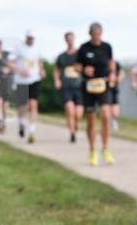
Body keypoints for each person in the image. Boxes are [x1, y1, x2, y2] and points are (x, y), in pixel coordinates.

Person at [75, 22, 116, 165]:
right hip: (89, 86)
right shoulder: (84, 48)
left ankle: (106, 148)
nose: (96, 36)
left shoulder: (107, 47)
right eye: (94, 34)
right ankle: (92, 151)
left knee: (106, 115)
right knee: (91, 119)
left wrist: (113, 73)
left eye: (98, 34)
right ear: (90, 34)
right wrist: (83, 69)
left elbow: (111, 62)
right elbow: (76, 66)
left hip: (103, 84)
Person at [13, 30, 44, 143]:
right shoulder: (18, 48)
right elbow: (10, 63)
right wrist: (19, 70)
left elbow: (39, 62)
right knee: (22, 106)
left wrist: (42, 70)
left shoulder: (37, 49)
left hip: (34, 79)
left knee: (33, 104)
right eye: (29, 38)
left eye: (32, 38)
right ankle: (21, 122)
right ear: (26, 38)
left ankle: (31, 131)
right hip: (21, 81)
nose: (31, 40)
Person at [54, 31, 84, 142]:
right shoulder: (61, 56)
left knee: (78, 114)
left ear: (74, 39)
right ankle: (72, 133)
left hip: (79, 86)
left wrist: (80, 69)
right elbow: (56, 70)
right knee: (70, 110)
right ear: (65, 40)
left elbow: (85, 67)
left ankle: (76, 123)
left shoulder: (80, 54)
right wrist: (57, 80)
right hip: (66, 87)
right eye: (68, 39)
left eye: (72, 38)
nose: (70, 41)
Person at [110, 66, 125, 131]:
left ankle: (113, 120)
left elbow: (122, 74)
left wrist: (117, 79)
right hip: (102, 89)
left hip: (113, 89)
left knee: (115, 112)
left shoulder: (115, 64)